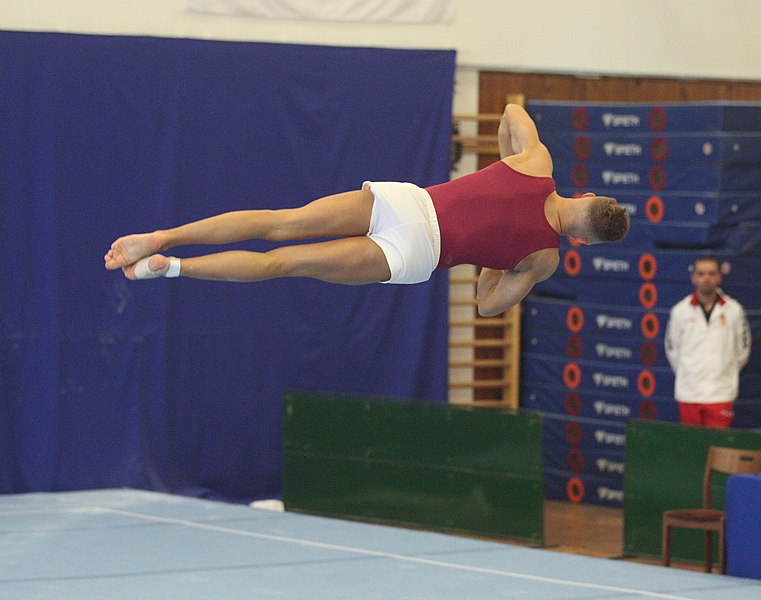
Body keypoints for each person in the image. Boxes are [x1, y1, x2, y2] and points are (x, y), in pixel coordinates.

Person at [104, 103, 630, 316]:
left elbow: (514, 112)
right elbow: (487, 305)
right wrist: (497, 257)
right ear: (582, 240)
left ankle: (164, 237)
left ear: (582, 196)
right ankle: (171, 269)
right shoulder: (543, 259)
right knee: (284, 265)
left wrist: (502, 161)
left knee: (278, 223)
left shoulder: (536, 163)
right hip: (417, 254)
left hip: (409, 200)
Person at [664, 256, 751, 428]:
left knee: (717, 449)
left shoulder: (734, 310)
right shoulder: (679, 311)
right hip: (689, 393)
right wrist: (689, 373)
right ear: (693, 277)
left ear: (719, 277)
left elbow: (743, 351)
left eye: (711, 274)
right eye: (701, 274)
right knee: (692, 449)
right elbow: (672, 351)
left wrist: (723, 372)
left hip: (721, 393)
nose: (706, 278)